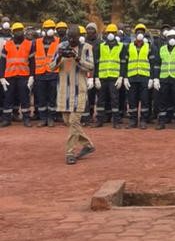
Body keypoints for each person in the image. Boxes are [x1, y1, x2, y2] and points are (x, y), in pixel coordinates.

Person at [51, 25, 95, 165]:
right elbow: (51, 66)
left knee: (74, 121)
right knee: (67, 121)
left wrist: (77, 58)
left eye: (74, 38)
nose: (71, 40)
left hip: (79, 90)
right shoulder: (61, 47)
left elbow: (90, 66)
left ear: (79, 37)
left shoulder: (86, 47)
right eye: (69, 37)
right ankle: (88, 145)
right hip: (64, 90)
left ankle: (70, 152)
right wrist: (59, 56)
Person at [0, 22, 35, 127]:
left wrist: (32, 76)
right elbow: (2, 62)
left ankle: (26, 119)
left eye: (20, 30)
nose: (18, 32)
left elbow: (33, 62)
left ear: (23, 31)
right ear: (12, 32)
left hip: (24, 75)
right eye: (16, 31)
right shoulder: (7, 45)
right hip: (9, 76)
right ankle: (6, 119)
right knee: (8, 97)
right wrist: (1, 77)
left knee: (24, 97)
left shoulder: (29, 44)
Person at [154, 28, 175, 130]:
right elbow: (157, 65)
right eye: (170, 37)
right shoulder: (162, 49)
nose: (172, 39)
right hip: (164, 78)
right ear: (166, 39)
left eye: (174, 37)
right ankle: (161, 122)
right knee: (162, 101)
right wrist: (156, 78)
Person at [122, 22, 152, 128]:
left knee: (144, 100)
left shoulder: (149, 46)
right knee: (132, 99)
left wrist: (152, 78)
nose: (140, 33)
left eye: (142, 32)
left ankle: (143, 120)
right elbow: (124, 63)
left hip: (144, 77)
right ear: (135, 34)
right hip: (132, 77)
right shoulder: (129, 47)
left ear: (144, 34)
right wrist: (125, 77)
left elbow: (153, 63)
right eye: (138, 32)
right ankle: (133, 120)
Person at [94, 24, 124, 128]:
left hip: (114, 77)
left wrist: (121, 77)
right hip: (102, 77)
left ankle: (116, 121)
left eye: (113, 32)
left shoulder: (121, 46)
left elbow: (123, 63)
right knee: (101, 100)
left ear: (116, 34)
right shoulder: (101, 46)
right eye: (108, 33)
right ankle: (99, 120)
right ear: (105, 34)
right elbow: (96, 63)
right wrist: (96, 77)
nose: (110, 34)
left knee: (114, 99)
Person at [33, 19, 60, 127]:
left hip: (53, 73)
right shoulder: (37, 42)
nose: (50, 30)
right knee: (41, 97)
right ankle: (43, 118)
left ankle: (51, 118)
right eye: (47, 28)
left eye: (52, 28)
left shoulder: (58, 41)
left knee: (52, 97)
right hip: (40, 73)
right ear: (43, 29)